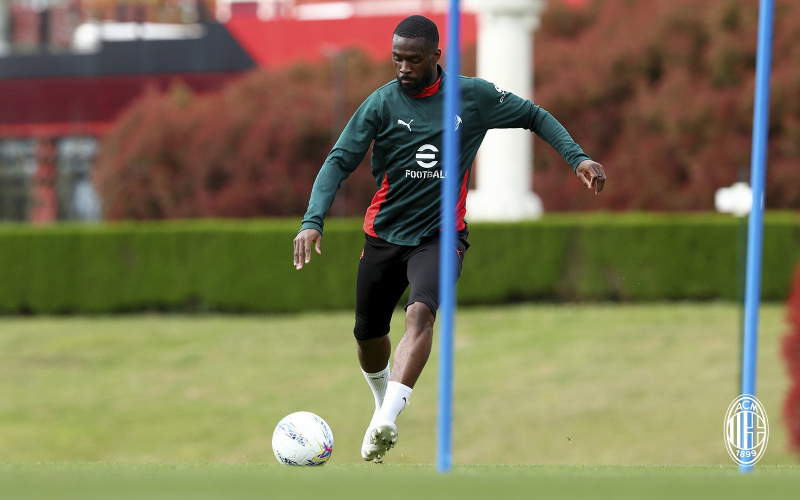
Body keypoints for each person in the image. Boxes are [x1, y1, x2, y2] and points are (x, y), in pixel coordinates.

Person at [293, 15, 606, 462]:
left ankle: (386, 420)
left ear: (436, 57)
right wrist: (312, 221)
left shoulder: (472, 96)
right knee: (367, 335)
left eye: (413, 60)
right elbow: (338, 160)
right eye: (397, 58)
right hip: (384, 235)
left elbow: (534, 115)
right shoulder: (380, 103)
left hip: (441, 236)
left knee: (420, 314)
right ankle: (381, 404)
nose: (403, 68)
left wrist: (578, 158)